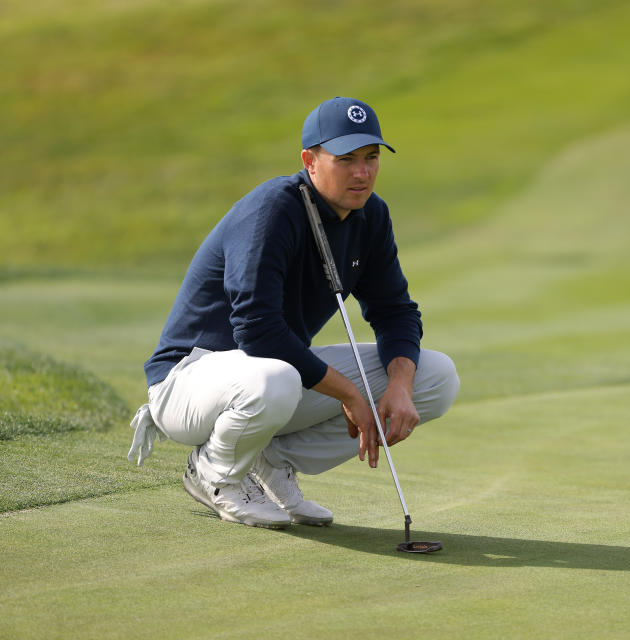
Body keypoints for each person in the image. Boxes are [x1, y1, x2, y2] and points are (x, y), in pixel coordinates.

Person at [127, 97, 460, 529]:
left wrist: (399, 384)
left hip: (265, 382)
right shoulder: (272, 210)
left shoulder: (371, 216)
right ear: (310, 160)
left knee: (434, 376)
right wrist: (350, 394)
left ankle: (270, 461)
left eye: (371, 158)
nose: (362, 172)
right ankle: (213, 472)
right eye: (346, 159)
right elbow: (258, 331)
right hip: (187, 381)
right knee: (277, 375)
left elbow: (396, 312)